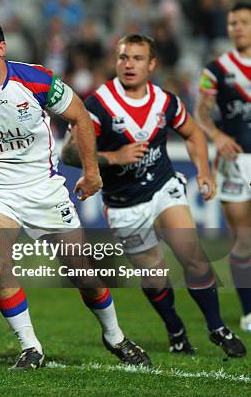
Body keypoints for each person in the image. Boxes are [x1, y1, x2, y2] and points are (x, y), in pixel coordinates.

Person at [0, 17, 150, 369]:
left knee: (84, 273)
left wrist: (91, 172)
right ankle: (31, 348)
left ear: (0, 49)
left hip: (44, 189)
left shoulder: (35, 80)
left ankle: (115, 336)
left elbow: (80, 117)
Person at [61, 34, 246, 357]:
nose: (129, 64)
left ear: (152, 64)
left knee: (193, 256)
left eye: (137, 58)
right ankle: (175, 328)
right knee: (155, 274)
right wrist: (115, 157)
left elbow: (192, 134)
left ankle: (217, 327)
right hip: (124, 204)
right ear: (116, 61)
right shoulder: (98, 104)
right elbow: (69, 153)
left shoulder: (165, 101)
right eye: (123, 57)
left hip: (163, 188)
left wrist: (202, 171)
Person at [194, 2, 251, 333]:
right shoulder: (215, 69)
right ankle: (247, 311)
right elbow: (202, 112)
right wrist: (216, 135)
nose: (237, 28)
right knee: (243, 240)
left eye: (243, 22)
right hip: (235, 162)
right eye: (232, 23)